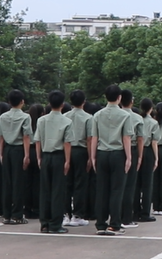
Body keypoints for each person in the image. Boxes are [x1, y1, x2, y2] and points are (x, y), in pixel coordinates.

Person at [89, 84, 134, 235]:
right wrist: (129, 157)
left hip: (102, 153)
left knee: (101, 190)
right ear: (119, 97)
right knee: (117, 190)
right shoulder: (125, 115)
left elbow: (94, 137)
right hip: (118, 153)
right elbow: (126, 137)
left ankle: (101, 223)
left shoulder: (97, 115)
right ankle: (114, 223)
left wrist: (93, 156)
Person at [35, 90, 73, 234]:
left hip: (45, 155)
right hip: (59, 157)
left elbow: (37, 140)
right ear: (62, 104)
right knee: (58, 191)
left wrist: (39, 158)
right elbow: (67, 143)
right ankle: (56, 224)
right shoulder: (67, 121)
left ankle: (44, 223)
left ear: (49, 103)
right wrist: (67, 161)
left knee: (45, 190)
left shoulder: (41, 120)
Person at [0, 90, 32, 225]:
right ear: (22, 102)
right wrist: (27, 155)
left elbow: (0, 136)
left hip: (7, 149)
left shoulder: (2, 117)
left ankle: (6, 214)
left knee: (7, 182)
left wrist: (1, 153)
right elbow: (26, 136)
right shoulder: (25, 117)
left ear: (9, 102)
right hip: (19, 150)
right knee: (18, 182)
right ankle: (17, 214)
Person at [64, 90, 92, 227]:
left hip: (66, 150)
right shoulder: (88, 118)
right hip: (81, 151)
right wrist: (91, 157)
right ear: (84, 102)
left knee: (66, 183)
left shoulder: (65, 116)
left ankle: (65, 214)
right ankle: (77, 215)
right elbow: (89, 139)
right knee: (80, 184)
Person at [119, 90, 144, 230]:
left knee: (115, 186)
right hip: (132, 149)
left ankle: (115, 217)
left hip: (113, 150)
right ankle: (127, 218)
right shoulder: (136, 118)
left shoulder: (109, 115)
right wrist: (140, 156)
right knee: (129, 186)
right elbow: (140, 138)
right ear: (131, 101)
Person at [136, 99, 158, 223]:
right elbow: (154, 142)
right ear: (151, 108)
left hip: (136, 150)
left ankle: (135, 210)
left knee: (136, 183)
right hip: (148, 150)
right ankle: (145, 212)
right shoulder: (153, 123)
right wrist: (156, 158)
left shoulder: (137, 119)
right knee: (147, 184)